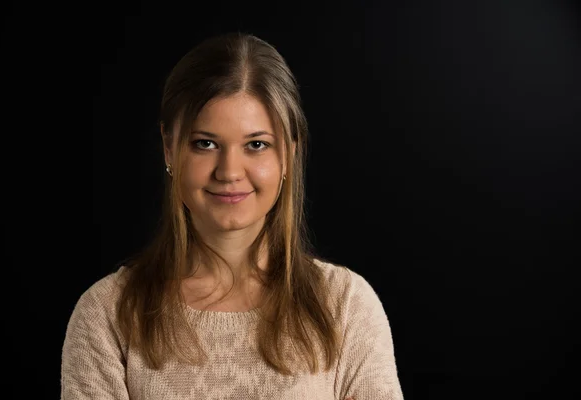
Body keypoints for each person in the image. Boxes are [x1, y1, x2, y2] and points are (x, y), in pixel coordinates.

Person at [61, 32, 404, 400]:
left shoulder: (345, 308)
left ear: (288, 153)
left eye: (256, 145)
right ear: (168, 148)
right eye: (204, 143)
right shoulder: (107, 315)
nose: (229, 171)